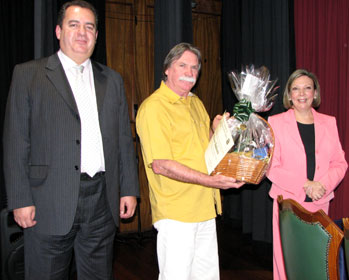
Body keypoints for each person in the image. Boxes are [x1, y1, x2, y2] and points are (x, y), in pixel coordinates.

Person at [3, 1, 139, 279]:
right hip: (47, 201)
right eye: (73, 25)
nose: (82, 33)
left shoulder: (112, 80)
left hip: (102, 200)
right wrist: (19, 199)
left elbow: (123, 140)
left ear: (97, 36)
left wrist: (128, 189)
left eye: (89, 27)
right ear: (58, 30)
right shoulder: (28, 74)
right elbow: (16, 141)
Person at [136, 42, 244, 280]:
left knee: (207, 277)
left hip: (204, 207)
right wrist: (211, 181)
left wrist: (218, 132)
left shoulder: (195, 103)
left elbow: (208, 151)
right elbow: (161, 165)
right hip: (176, 212)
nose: (190, 72)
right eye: (182, 65)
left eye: (195, 67)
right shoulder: (154, 108)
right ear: (167, 69)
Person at [267, 69, 348, 279]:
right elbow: (270, 167)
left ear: (315, 93)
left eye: (307, 88)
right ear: (289, 94)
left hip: (320, 201)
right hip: (288, 205)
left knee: (316, 261)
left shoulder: (329, 122)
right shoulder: (275, 122)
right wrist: (306, 184)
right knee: (287, 264)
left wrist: (322, 185)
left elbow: (340, 162)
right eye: (296, 88)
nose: (301, 93)